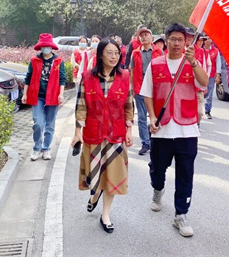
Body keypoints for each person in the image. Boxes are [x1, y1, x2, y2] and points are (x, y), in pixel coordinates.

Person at [141, 23, 208, 237]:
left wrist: (194, 62)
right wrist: (152, 116)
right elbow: (147, 94)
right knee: (157, 169)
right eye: (173, 39)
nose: (177, 43)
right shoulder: (155, 64)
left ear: (186, 41)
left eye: (181, 39)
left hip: (187, 129)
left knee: (185, 174)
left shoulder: (192, 63)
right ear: (166, 40)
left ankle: (181, 215)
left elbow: (204, 82)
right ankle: (157, 190)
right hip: (162, 129)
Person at [71, 38, 133, 234]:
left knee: (112, 176)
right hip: (94, 133)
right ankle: (95, 193)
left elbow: (128, 105)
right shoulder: (88, 77)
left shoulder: (124, 76)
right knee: (96, 176)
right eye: (109, 53)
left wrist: (129, 129)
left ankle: (105, 215)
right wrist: (77, 132)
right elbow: (81, 106)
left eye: (116, 53)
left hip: (116, 135)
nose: (114, 57)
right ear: (100, 55)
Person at [22, 33, 66, 161]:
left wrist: (61, 94)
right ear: (40, 47)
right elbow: (28, 78)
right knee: (38, 123)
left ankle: (46, 148)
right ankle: (36, 148)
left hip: (53, 97)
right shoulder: (34, 61)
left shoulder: (58, 61)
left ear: (51, 47)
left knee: (50, 125)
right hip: (38, 97)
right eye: (43, 46)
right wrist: (25, 94)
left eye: (47, 46)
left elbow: (62, 79)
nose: (45, 48)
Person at [130, 27, 163, 155]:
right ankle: (145, 143)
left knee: (156, 115)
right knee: (142, 118)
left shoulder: (159, 52)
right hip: (140, 88)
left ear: (151, 38)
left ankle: (156, 140)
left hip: (156, 89)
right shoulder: (135, 53)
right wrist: (132, 88)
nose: (143, 37)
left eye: (146, 35)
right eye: (141, 35)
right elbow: (132, 71)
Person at [185, 28, 210, 126]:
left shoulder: (200, 51)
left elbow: (204, 67)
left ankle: (196, 124)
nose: (189, 39)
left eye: (191, 36)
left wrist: (205, 85)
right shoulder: (179, 50)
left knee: (199, 112)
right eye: (187, 36)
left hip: (198, 87)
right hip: (185, 86)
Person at [202, 35, 219, 119]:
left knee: (209, 94)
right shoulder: (200, 49)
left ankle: (207, 111)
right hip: (201, 75)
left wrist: (218, 74)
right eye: (206, 39)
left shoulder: (215, 51)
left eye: (209, 38)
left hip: (211, 75)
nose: (208, 40)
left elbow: (218, 63)